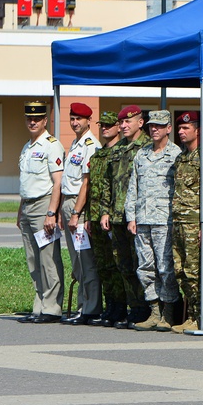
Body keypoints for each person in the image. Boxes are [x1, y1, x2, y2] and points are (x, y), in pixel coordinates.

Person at [126, 111, 181, 331]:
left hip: (164, 220)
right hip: (143, 219)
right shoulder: (142, 154)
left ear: (169, 128)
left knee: (166, 267)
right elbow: (133, 187)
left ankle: (168, 311)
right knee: (145, 267)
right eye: (151, 126)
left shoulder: (176, 154)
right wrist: (131, 216)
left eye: (159, 125)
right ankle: (154, 310)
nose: (154, 129)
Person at [170, 111, 203, 333]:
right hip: (179, 221)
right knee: (181, 269)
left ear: (198, 131)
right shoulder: (181, 158)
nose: (181, 132)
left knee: (196, 271)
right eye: (180, 129)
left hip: (195, 223)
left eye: (186, 128)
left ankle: (202, 315)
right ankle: (191, 314)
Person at [100, 104, 150, 328]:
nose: (123, 125)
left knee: (142, 264)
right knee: (123, 265)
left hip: (138, 217)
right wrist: (105, 210)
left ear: (140, 122)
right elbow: (106, 182)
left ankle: (146, 307)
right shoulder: (118, 149)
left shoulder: (148, 146)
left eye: (128, 121)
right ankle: (133, 306)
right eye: (121, 122)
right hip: (118, 216)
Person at [16, 101, 65, 323]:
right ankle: (39, 305)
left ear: (45, 120)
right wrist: (20, 211)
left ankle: (52, 307)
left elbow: (58, 182)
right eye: (29, 118)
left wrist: (52, 212)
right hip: (27, 206)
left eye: (37, 118)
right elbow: (26, 182)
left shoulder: (51, 145)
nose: (32, 121)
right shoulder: (27, 146)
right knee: (32, 260)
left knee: (48, 259)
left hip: (44, 205)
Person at [59, 102, 102, 324]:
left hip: (79, 207)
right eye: (72, 118)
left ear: (88, 121)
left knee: (86, 260)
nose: (75, 122)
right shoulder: (75, 143)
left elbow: (87, 183)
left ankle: (91, 308)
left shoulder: (90, 145)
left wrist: (76, 212)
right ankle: (82, 305)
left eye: (79, 119)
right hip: (68, 204)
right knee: (76, 261)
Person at [86, 110, 126, 326]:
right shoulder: (97, 155)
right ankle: (109, 304)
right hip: (95, 215)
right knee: (103, 264)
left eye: (109, 125)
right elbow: (91, 187)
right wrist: (86, 217)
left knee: (116, 262)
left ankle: (120, 306)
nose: (105, 129)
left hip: (113, 216)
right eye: (102, 125)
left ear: (118, 127)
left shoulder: (121, 152)